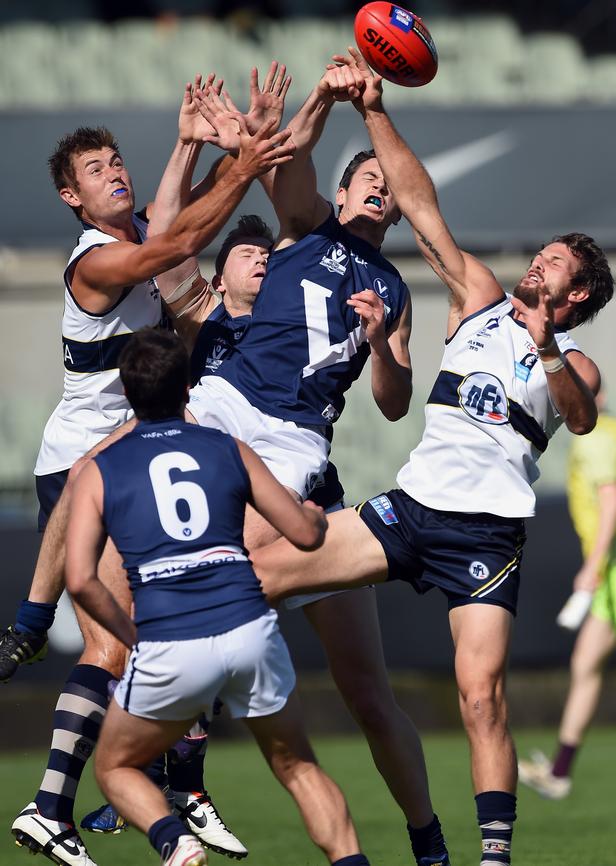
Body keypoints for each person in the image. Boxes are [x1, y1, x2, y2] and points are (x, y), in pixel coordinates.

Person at [250, 48, 615, 866]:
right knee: (258, 574)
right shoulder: (479, 298)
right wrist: (374, 109)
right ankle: (187, 758)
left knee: (480, 698)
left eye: (553, 261)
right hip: (412, 509)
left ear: (577, 291)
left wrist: (549, 350)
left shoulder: (575, 361)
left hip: (488, 537)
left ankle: (490, 856)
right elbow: (421, 206)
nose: (538, 261)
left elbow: (580, 418)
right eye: (543, 253)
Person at [6, 95, 294, 866]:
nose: (113, 175)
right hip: (82, 467)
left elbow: (172, 223)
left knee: (150, 639)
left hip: (127, 463)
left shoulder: (133, 231)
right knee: (118, 645)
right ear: (72, 197)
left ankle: (74, 803)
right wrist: (244, 163)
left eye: (115, 162)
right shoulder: (91, 262)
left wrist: (190, 145)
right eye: (95, 171)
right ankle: (140, 799)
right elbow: (181, 242)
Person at [186, 67, 451, 866]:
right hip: (232, 407)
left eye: (389, 185)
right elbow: (289, 162)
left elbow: (397, 401)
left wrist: (379, 344)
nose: (382, 189)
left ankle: (428, 841)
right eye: (368, 178)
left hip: (303, 452)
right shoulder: (304, 226)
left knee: (369, 692)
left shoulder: (394, 289)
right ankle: (179, 772)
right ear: (340, 196)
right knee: (152, 501)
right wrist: (328, 99)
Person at [60, 326, 373, 866]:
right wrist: (316, 520)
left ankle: (175, 842)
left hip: (170, 639)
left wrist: (133, 638)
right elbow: (303, 535)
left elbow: (81, 579)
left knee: (115, 768)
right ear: (187, 388)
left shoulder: (100, 471)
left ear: (129, 396)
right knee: (298, 766)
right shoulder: (229, 448)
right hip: (250, 628)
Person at [518, 393, 616, 799]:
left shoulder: (595, 438)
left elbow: (611, 499)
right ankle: (558, 772)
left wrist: (592, 565)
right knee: (585, 663)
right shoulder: (614, 431)